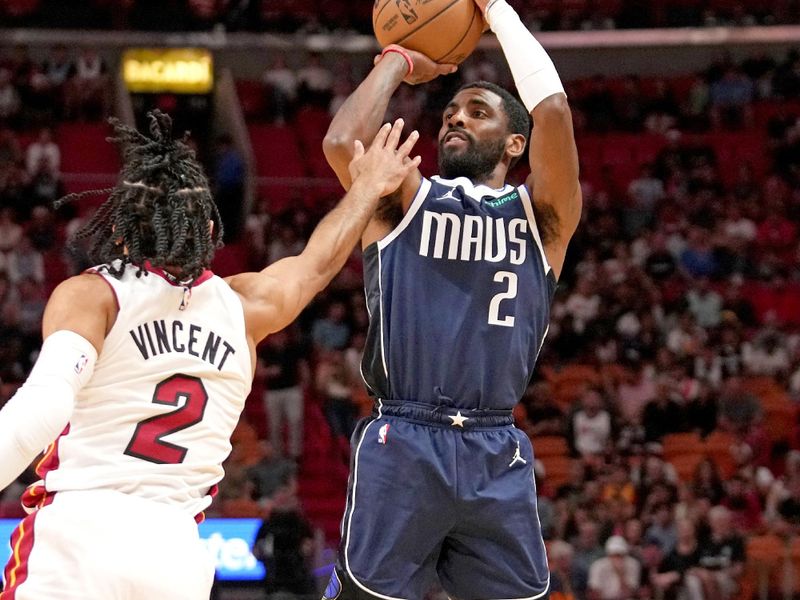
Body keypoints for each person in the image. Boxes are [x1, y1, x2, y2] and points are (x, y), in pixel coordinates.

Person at [0, 111, 421, 599]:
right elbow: (316, 263)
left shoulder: (93, 295)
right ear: (206, 226)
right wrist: (367, 188)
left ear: (121, 229)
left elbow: (43, 407)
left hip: (82, 531)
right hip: (176, 552)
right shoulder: (245, 307)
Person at [321, 0, 581, 595]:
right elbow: (343, 142)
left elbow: (555, 111)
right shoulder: (402, 196)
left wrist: (499, 13)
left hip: (496, 446)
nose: (454, 120)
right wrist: (396, 60)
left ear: (517, 144)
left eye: (477, 112)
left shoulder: (544, 217)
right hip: (405, 436)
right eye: (451, 112)